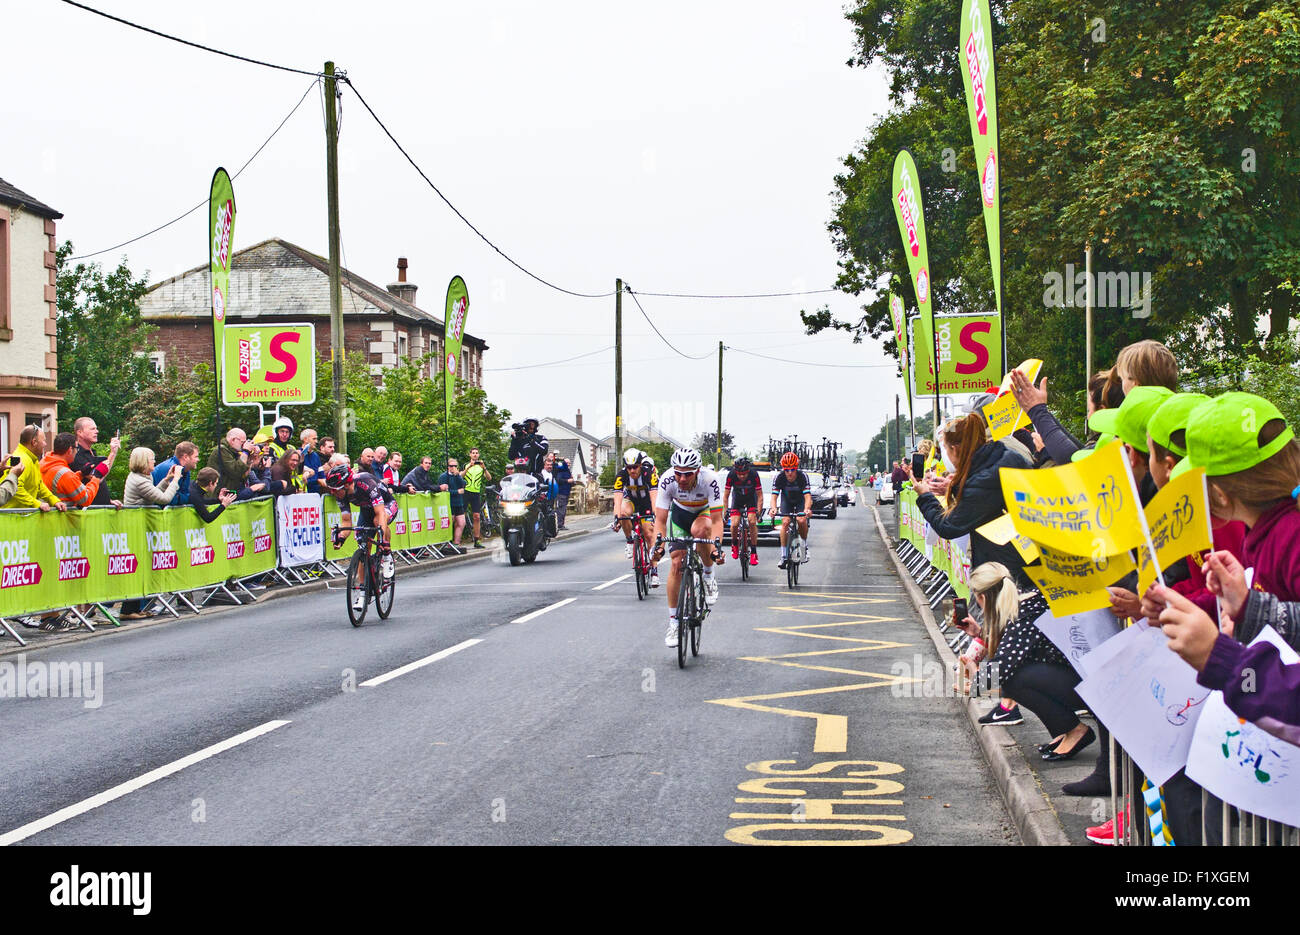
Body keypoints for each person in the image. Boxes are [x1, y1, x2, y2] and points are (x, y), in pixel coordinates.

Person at [912, 412, 1034, 589]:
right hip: (1025, 557)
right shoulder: (1004, 456)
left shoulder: (981, 482)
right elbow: (989, 499)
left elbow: (948, 526)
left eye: (945, 449)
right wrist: (954, 487)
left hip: (1003, 569)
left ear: (954, 449)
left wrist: (924, 496)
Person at [651, 448, 724, 647]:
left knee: (699, 532)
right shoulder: (667, 480)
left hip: (703, 512)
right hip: (680, 514)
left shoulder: (710, 479)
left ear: (698, 471)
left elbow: (717, 520)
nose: (682, 479)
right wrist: (658, 544)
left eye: (688, 473)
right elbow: (661, 519)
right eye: (678, 473)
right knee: (676, 562)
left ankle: (708, 576)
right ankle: (674, 622)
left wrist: (716, 548)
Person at [323, 464, 398, 609]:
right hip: (366, 510)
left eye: (335, 490)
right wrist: (341, 538)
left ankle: (387, 555)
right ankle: (362, 594)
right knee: (362, 545)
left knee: (378, 522)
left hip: (386, 506)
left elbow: (380, 513)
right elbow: (346, 522)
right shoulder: (341, 495)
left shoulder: (366, 483)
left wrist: (382, 540)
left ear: (346, 485)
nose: (332, 493)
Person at [612, 448, 660, 587]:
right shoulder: (621, 476)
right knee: (623, 513)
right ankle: (629, 541)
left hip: (646, 503)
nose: (632, 471)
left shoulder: (648, 474)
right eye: (629, 468)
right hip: (631, 500)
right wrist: (616, 518)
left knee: (649, 534)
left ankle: (655, 571)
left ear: (641, 465)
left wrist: (655, 514)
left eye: (635, 467)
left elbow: (654, 497)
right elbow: (618, 499)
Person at [40, 432, 109, 508]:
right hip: (62, 517)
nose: (77, 452)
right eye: (77, 448)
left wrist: (80, 474)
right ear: (70, 450)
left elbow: (62, 483)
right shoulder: (65, 473)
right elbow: (85, 499)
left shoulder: (45, 463)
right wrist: (97, 476)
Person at [7, 425, 66, 512]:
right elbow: (14, 488)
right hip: (10, 517)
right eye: (43, 441)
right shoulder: (22, 459)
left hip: (19, 517)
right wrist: (37, 503)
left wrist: (53, 500)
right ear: (34, 442)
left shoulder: (32, 459)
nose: (45, 444)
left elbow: (39, 486)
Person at [769, 451, 812, 570]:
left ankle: (804, 547)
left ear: (796, 468)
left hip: (800, 501)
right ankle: (783, 556)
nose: (789, 472)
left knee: (801, 520)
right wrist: (773, 508)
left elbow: (808, 497)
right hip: (786, 500)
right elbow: (774, 497)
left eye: (792, 469)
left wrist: (807, 509)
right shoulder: (779, 477)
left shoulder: (802, 476)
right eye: (786, 469)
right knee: (785, 522)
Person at [70, 417, 122, 506]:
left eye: (96, 428)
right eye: (92, 429)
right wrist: (112, 453)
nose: (97, 431)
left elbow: (100, 478)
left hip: (99, 508)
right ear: (80, 432)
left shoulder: (92, 452)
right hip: (87, 511)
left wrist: (108, 500)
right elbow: (97, 477)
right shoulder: (76, 454)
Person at [724, 457, 762, 566]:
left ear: (748, 471)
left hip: (751, 499)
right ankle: (735, 543)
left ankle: (754, 552)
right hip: (737, 499)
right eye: (739, 474)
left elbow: (760, 496)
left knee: (752, 521)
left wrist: (758, 513)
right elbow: (726, 496)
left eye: (744, 474)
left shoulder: (754, 474)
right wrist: (726, 512)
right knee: (735, 523)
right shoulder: (731, 475)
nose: (741, 476)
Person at [152, 441, 200, 507]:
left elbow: (186, 496)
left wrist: (178, 496)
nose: (198, 460)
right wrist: (179, 497)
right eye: (196, 457)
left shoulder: (186, 470)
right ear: (185, 457)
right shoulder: (169, 469)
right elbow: (167, 499)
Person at [209, 427, 254, 495]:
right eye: (242, 442)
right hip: (218, 495)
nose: (244, 445)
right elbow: (236, 471)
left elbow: (243, 476)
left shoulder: (234, 452)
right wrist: (246, 451)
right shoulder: (221, 450)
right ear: (233, 440)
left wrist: (250, 459)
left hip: (228, 493)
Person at [462, 447, 492, 547]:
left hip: (476, 493)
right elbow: (460, 476)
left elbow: (489, 478)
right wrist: (468, 467)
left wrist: (484, 468)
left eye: (476, 453)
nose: (475, 455)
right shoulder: (466, 465)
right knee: (461, 516)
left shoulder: (481, 466)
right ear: (470, 455)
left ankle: (477, 540)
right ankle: (456, 540)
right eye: (473, 453)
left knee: (477, 516)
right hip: (466, 492)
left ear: (478, 455)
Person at [438, 456, 468, 551]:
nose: (453, 467)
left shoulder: (457, 476)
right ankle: (447, 543)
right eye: (451, 466)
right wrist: (456, 492)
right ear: (448, 467)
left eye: (455, 466)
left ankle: (456, 543)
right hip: (449, 503)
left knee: (461, 522)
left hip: (458, 503)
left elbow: (463, 484)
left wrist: (458, 475)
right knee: (449, 523)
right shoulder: (443, 477)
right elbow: (444, 492)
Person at [553, 456, 574, 530]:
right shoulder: (561, 471)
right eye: (566, 463)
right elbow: (558, 480)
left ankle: (561, 524)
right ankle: (559, 525)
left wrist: (571, 481)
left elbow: (571, 482)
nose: (568, 464)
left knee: (563, 509)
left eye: (569, 463)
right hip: (561, 493)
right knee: (560, 510)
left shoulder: (567, 471)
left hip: (566, 493)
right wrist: (567, 481)